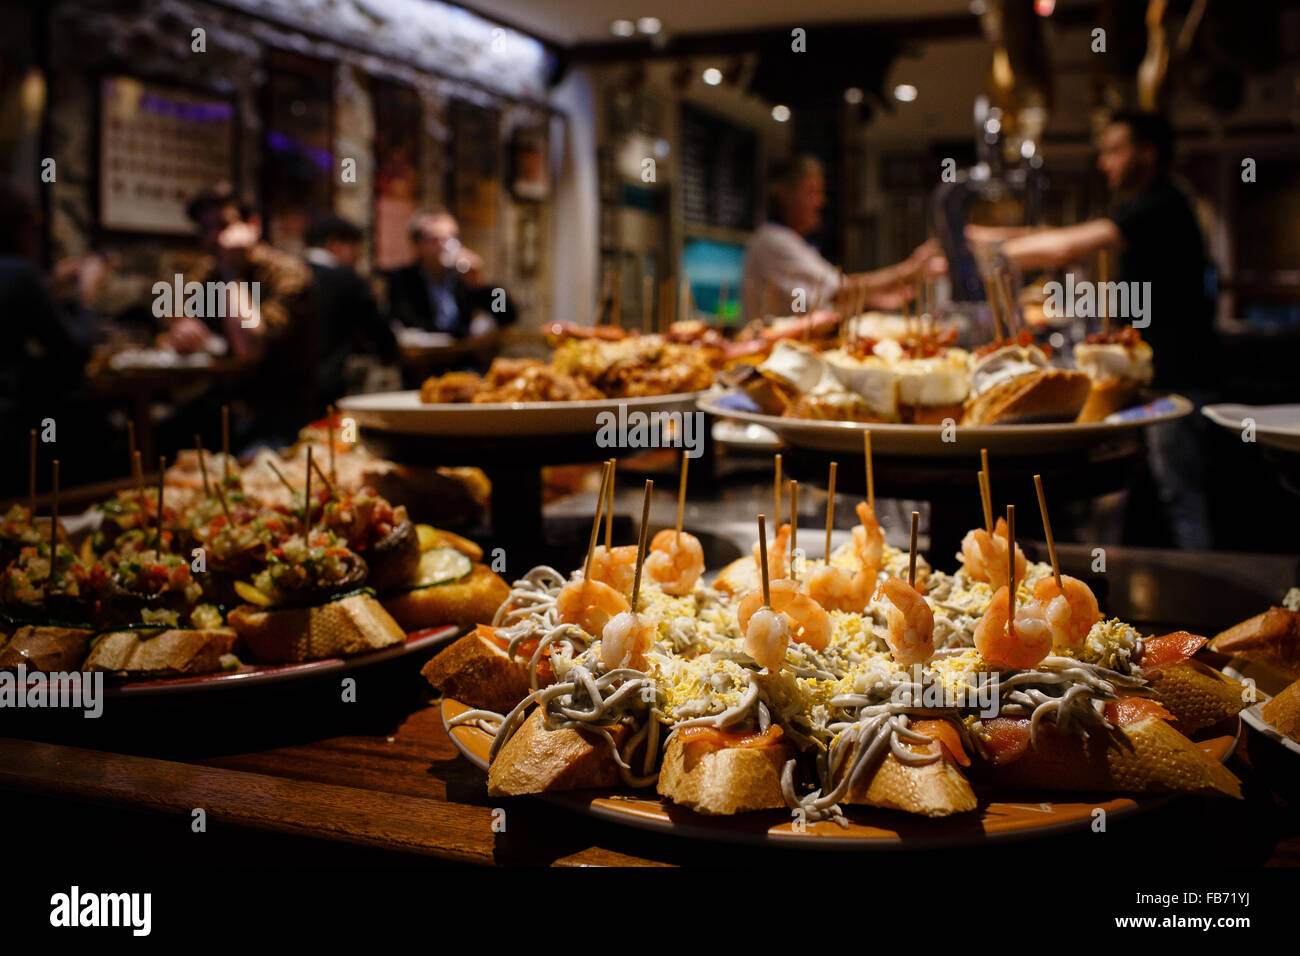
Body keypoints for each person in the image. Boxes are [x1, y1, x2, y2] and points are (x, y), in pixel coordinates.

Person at [968, 111, 1214, 548]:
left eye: (1115, 151)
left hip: (1177, 378)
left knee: (1180, 496)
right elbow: (1060, 235)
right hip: (1148, 379)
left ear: (1147, 153)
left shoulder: (1161, 203)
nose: (1104, 162)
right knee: (1138, 497)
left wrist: (999, 252)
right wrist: (990, 237)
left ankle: (1205, 589)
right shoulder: (1142, 203)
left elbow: (1068, 244)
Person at [165, 185, 316, 449]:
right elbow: (172, 312)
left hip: (279, 410)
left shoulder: (287, 273)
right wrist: (182, 328)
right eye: (205, 228)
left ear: (253, 225)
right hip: (223, 406)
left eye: (223, 226)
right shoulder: (206, 272)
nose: (213, 237)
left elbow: (249, 346)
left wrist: (230, 273)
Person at [0, 181, 109, 494]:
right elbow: (73, 349)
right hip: (11, 424)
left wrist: (46, 287)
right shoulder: (18, 273)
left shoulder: (15, 275)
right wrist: (88, 298)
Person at [742, 154, 940, 321]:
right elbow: (838, 292)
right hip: (766, 357)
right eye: (812, 192)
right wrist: (910, 270)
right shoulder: (773, 240)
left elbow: (820, 308)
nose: (821, 201)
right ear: (784, 195)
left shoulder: (793, 242)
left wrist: (871, 302)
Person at [303, 213, 398, 412]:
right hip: (329, 385)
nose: (357, 257)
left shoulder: (289, 273)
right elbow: (380, 333)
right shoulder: (347, 279)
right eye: (356, 249)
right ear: (335, 244)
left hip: (287, 383)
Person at [385, 211, 516, 337]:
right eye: (435, 240)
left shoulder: (462, 276)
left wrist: (481, 285)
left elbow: (507, 315)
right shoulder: (403, 280)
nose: (444, 246)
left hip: (464, 356)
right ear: (417, 245)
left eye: (450, 239)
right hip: (427, 356)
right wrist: (458, 336)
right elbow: (408, 324)